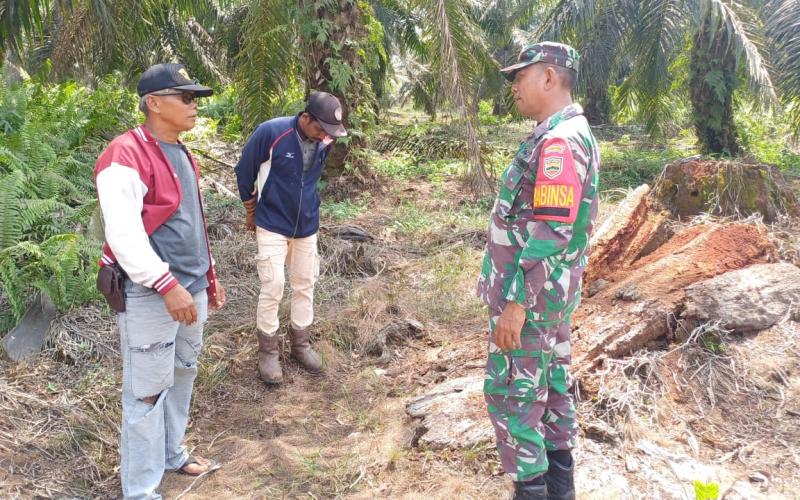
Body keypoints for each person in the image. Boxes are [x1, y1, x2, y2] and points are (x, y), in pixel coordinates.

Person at [94, 63, 226, 500]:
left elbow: (190, 223)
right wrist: (167, 285)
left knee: (183, 373)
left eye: (195, 99)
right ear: (154, 102)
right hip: (152, 296)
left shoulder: (181, 151)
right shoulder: (124, 155)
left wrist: (208, 275)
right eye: (185, 97)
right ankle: (141, 490)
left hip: (190, 290)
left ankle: (172, 452)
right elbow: (124, 235)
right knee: (147, 393)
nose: (194, 105)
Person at [477, 42, 600, 500]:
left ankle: (533, 491)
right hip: (548, 299)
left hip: (530, 302)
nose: (513, 85)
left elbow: (550, 232)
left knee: (515, 399)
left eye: (520, 75)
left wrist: (515, 304)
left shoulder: (559, 143)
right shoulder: (561, 134)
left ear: (549, 78)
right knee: (549, 394)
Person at [234, 92, 347, 384]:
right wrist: (250, 210)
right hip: (272, 221)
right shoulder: (271, 132)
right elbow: (244, 171)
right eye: (320, 128)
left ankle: (301, 345)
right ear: (305, 117)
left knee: (305, 284)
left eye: (330, 132)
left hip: (307, 224)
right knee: (273, 285)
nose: (325, 135)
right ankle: (268, 352)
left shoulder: (325, 140)